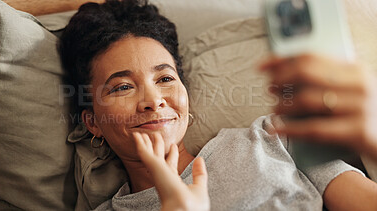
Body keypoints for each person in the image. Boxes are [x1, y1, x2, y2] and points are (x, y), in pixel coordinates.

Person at [59, 0, 377, 210]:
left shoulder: (276, 136)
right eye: (123, 87)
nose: (153, 101)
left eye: (165, 79)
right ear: (93, 123)